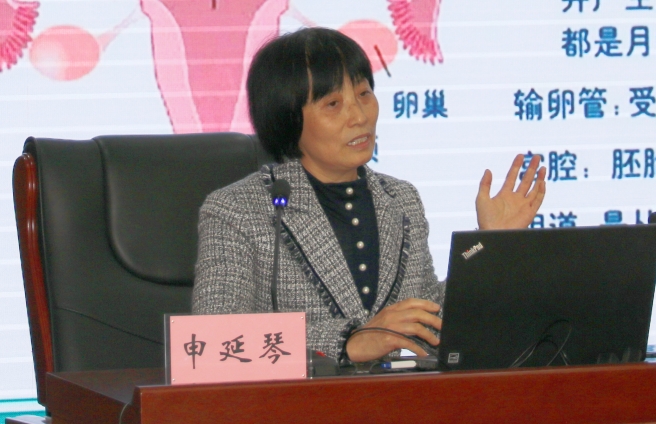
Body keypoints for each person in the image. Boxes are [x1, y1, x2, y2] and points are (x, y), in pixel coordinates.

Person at [192, 27, 546, 364]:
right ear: (287, 118)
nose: (359, 116)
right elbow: (215, 340)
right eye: (333, 104)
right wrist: (349, 342)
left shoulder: (400, 199)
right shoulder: (238, 210)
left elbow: (428, 321)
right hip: (290, 403)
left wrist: (490, 245)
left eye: (364, 94)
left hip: (391, 400)